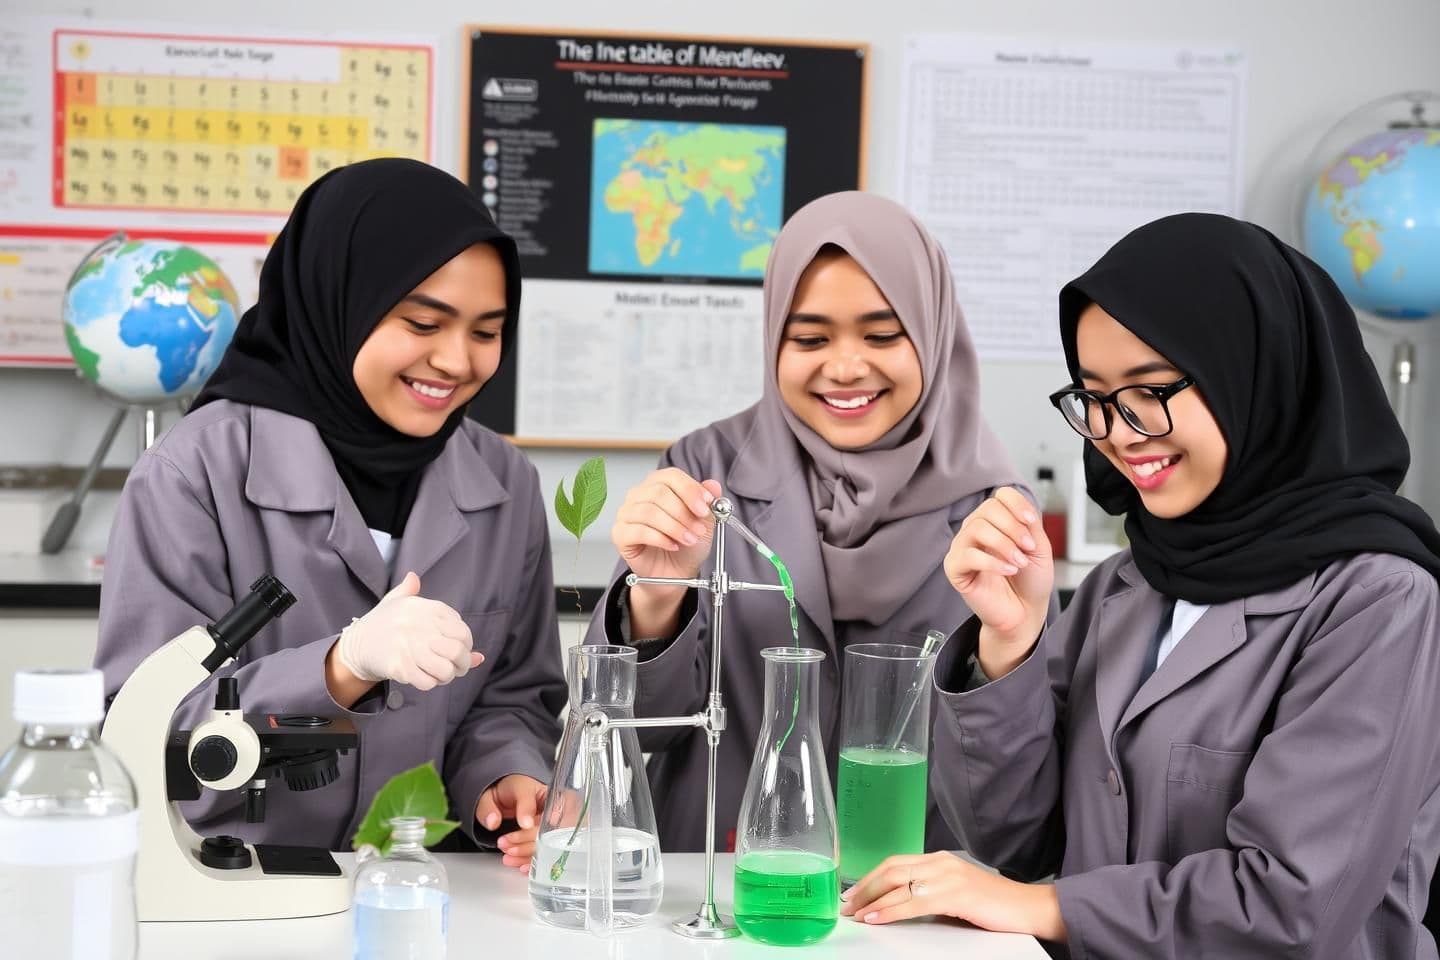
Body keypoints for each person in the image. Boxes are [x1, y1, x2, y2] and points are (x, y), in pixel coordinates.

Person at [841, 213, 1440, 957]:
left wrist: (1047, 908)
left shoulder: (1378, 599)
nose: (1120, 432)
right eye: (1094, 397)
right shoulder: (1130, 583)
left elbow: (1291, 908)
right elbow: (1016, 846)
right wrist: (1011, 640)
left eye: (1150, 391)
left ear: (1254, 374)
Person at [95, 158, 565, 871]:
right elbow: (144, 734)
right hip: (231, 889)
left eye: (486, 331)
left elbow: (510, 699)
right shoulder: (192, 474)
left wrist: (504, 780)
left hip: (425, 889)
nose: (456, 360)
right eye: (422, 322)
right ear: (337, 300)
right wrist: (339, 667)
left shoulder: (506, 482)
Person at [588, 191, 1033, 853]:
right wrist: (656, 596)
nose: (846, 366)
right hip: (719, 880)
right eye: (810, 338)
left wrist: (1009, 650)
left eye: (883, 335)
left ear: (934, 334)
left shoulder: (995, 515)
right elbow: (633, 735)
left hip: (908, 901)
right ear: (774, 339)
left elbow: (1015, 809)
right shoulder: (705, 470)